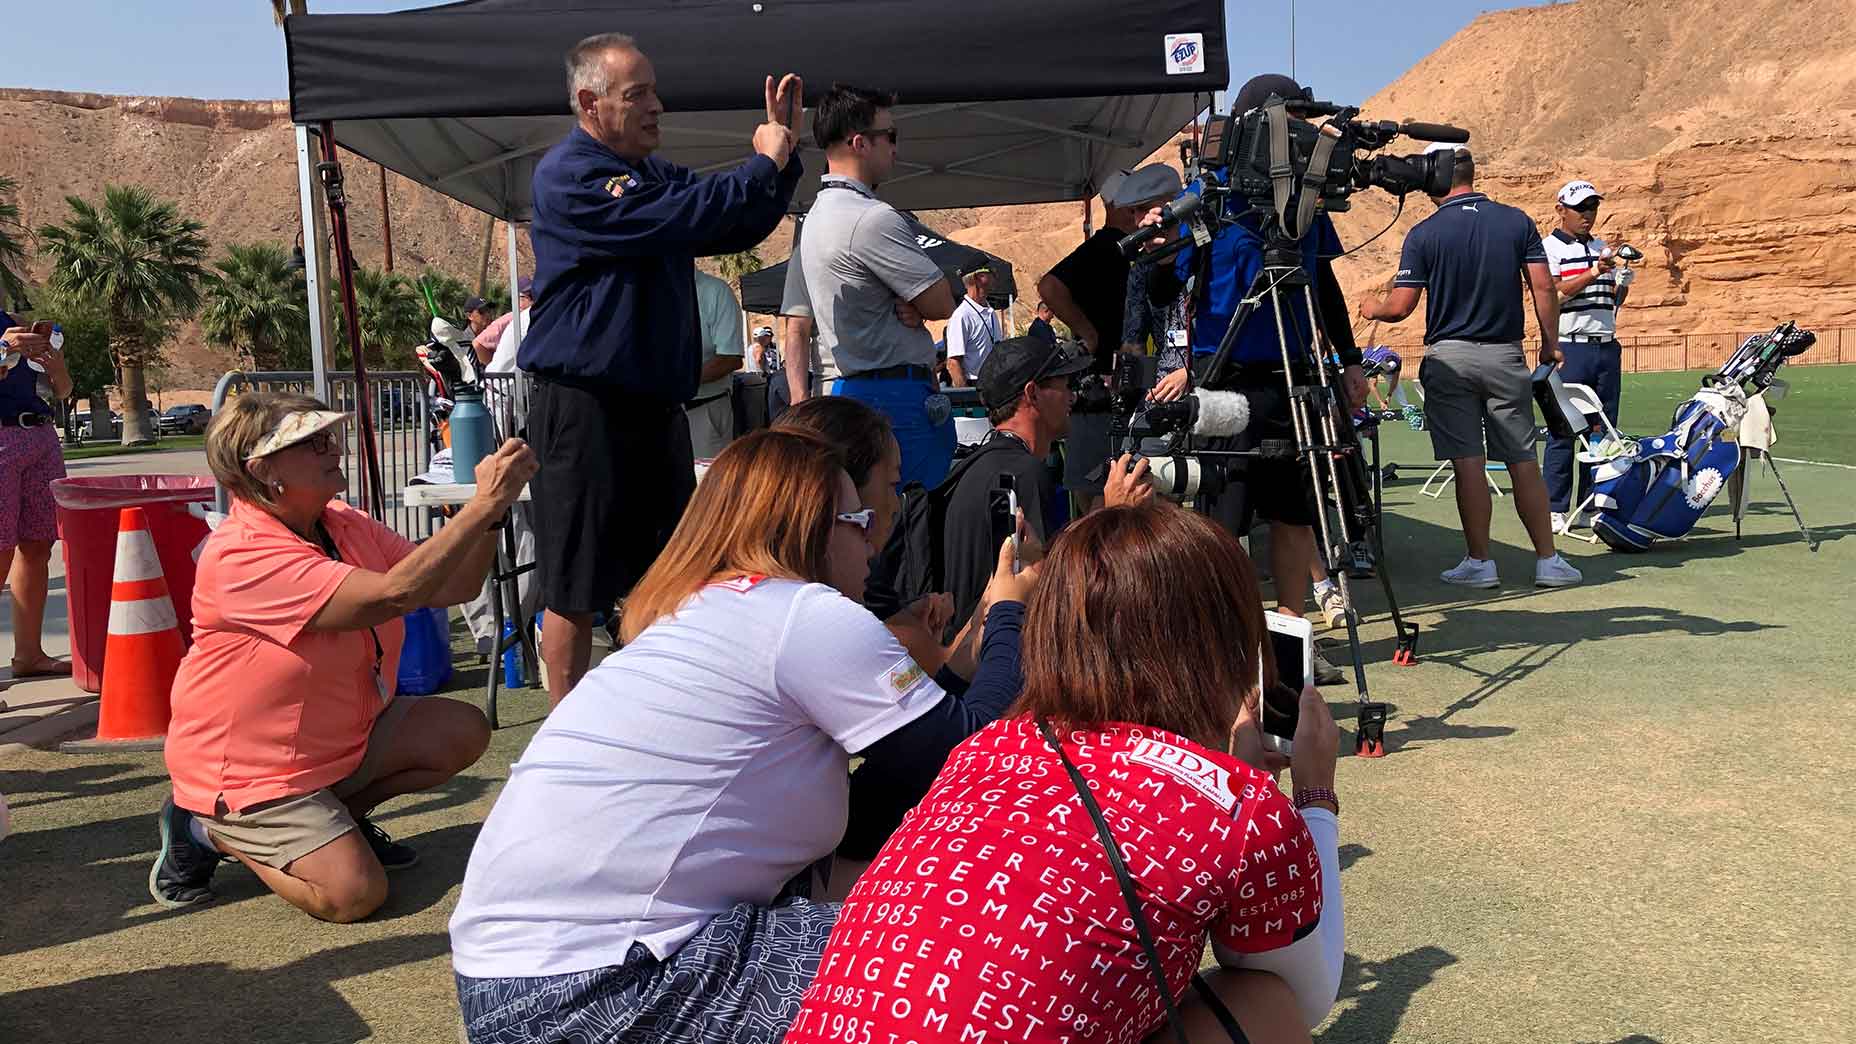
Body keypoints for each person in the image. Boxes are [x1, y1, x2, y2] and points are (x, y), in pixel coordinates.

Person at [448, 430, 1035, 1044]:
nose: (873, 540)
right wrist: (1009, 613)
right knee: (984, 946)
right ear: (808, 530)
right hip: (600, 992)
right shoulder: (803, 612)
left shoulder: (699, 611)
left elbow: (909, 755)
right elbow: (971, 751)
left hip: (512, 984)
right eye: (857, 519)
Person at [787, 501, 1345, 1044]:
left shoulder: (986, 747)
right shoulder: (1236, 807)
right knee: (1261, 1005)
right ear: (1220, 643)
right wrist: (1314, 797)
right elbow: (1305, 994)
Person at [148, 393, 534, 920]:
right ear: (262, 470)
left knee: (461, 730)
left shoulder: (340, 521)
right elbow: (395, 594)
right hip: (253, 770)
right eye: (312, 443)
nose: (333, 449)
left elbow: (456, 586)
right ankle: (204, 830)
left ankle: (333, 826)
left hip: (331, 744)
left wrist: (494, 515)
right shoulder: (243, 554)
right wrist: (483, 504)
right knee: (353, 896)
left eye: (329, 436)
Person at [518, 33, 804, 706]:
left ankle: (654, 718)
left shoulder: (650, 176)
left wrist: (781, 161)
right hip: (583, 409)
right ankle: (568, 735)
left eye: (653, 90)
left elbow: (728, 221)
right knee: (575, 584)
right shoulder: (571, 175)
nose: (657, 106)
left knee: (667, 576)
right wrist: (759, 164)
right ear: (590, 103)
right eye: (636, 94)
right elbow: (689, 210)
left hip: (654, 412)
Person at [1145, 75, 1368, 638]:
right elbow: (1166, 293)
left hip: (1293, 376)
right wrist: (1157, 250)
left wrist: (1349, 360)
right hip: (1223, 377)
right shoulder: (1209, 198)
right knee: (1227, 514)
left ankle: (1293, 630)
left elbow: (1324, 283)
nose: (1298, 133)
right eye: (1288, 119)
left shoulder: (1306, 198)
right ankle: (1235, 635)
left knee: (1294, 510)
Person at [1358, 143, 1583, 589]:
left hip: (1450, 359)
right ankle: (1548, 560)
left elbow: (1402, 307)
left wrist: (1372, 307)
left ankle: (1481, 563)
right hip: (1506, 354)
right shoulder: (1516, 221)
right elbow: (1542, 286)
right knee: (1523, 460)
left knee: (1468, 463)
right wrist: (1551, 343)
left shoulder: (1424, 234)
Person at [787, 83, 958, 490]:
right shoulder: (871, 219)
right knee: (908, 526)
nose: (896, 148)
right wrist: (916, 300)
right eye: (890, 136)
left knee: (865, 526)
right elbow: (941, 301)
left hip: (847, 392)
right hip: (893, 400)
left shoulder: (811, 223)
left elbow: (795, 322)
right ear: (860, 143)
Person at [1039, 163, 1179, 509]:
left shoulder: (1145, 255)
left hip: (1137, 387)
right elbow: (1049, 286)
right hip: (1116, 391)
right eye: (1134, 210)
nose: (1140, 219)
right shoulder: (1115, 251)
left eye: (1145, 208)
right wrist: (1090, 335)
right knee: (1109, 491)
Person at [1542, 179, 1632, 533]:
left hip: (1606, 345)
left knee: (1603, 431)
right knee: (1564, 428)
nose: (1588, 215)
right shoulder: (1549, 248)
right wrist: (1594, 271)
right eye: (1581, 208)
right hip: (1571, 345)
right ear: (1561, 209)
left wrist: (1619, 282)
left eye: (1592, 208)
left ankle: (1591, 501)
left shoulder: (1600, 246)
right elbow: (1553, 296)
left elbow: (1610, 302)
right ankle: (1554, 505)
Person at [0, 313, 74, 680]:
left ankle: (29, 656)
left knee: (38, 544)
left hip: (41, 437)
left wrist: (55, 365)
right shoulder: (8, 336)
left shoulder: (14, 322)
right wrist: (2, 351)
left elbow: (60, 391)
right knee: (0, 550)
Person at [689, 271, 746, 460]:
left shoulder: (715, 291)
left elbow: (730, 358)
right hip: (654, 414)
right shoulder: (647, 292)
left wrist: (679, 381)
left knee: (706, 485)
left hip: (704, 412)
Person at [943, 261, 1002, 388]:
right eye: (991, 271)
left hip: (993, 384)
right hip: (974, 385)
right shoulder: (962, 315)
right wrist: (967, 396)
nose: (995, 276)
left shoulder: (991, 312)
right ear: (978, 278)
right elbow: (953, 363)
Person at [471, 279, 533, 366]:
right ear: (517, 299)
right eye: (529, 296)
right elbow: (478, 344)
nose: (533, 300)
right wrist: (496, 371)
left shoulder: (531, 317)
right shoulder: (510, 319)